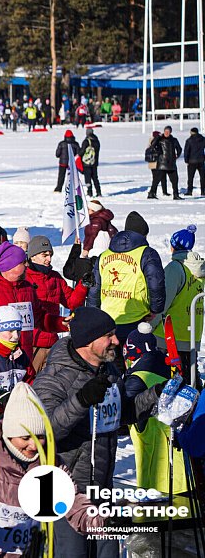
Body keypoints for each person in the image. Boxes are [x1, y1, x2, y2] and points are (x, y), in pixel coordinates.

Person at [31, 307, 162, 557]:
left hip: (102, 487)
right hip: (66, 491)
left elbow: (121, 413)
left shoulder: (108, 370)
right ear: (88, 342)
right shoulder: (55, 377)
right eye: (108, 336)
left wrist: (155, 395)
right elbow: (45, 432)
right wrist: (80, 400)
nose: (116, 340)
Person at [0, 383, 102, 557]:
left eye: (40, 437)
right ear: (9, 433)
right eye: (25, 437)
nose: (34, 444)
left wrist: (108, 520)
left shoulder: (50, 464)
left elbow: (77, 507)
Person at [123, 323, 189, 494]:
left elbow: (123, 416)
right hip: (182, 473)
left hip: (156, 482)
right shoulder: (171, 375)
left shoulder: (136, 379)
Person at [90, 211, 165, 344]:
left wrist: (93, 313)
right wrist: (156, 309)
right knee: (136, 361)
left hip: (108, 319)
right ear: (143, 234)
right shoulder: (147, 254)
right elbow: (156, 284)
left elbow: (95, 287)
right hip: (137, 318)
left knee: (112, 361)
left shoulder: (104, 255)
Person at [26, 235, 88, 370]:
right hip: (32, 344)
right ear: (33, 256)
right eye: (44, 255)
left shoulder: (55, 277)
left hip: (53, 342)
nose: (49, 259)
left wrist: (83, 286)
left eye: (50, 255)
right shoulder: (24, 278)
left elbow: (72, 302)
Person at [150, 227, 203, 370]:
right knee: (189, 375)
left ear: (174, 246)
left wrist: (151, 324)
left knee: (166, 378)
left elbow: (163, 301)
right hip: (192, 334)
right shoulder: (200, 270)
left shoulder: (175, 268)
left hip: (169, 337)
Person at [152, 125, 184, 200]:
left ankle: (176, 195)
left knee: (175, 180)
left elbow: (179, 149)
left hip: (171, 164)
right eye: (165, 131)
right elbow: (152, 145)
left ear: (170, 132)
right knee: (156, 180)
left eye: (168, 131)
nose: (166, 133)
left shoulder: (174, 140)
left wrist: (177, 156)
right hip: (162, 164)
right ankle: (152, 193)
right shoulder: (160, 139)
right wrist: (157, 137)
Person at [80, 127, 102, 196]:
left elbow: (82, 151)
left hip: (86, 163)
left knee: (88, 178)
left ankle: (89, 192)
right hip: (94, 162)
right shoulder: (97, 141)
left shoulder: (86, 141)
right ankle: (98, 192)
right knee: (95, 178)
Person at [183, 126, 205, 196]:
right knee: (203, 177)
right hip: (201, 161)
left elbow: (186, 151)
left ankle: (189, 191)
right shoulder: (203, 139)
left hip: (192, 161)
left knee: (190, 178)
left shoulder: (189, 140)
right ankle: (203, 191)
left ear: (192, 132)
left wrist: (186, 160)